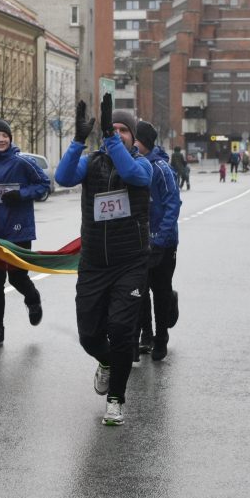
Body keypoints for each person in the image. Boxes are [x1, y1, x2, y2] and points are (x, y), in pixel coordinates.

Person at [55, 95, 152, 426]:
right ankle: (106, 362)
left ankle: (116, 399)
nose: (119, 133)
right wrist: (79, 139)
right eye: (114, 129)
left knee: (123, 331)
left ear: (133, 137)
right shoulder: (92, 163)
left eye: (125, 130)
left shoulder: (142, 165)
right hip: (94, 263)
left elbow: (129, 172)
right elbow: (64, 177)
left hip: (130, 264)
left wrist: (109, 137)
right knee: (89, 335)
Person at [0, 118, 50, 348]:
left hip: (19, 229)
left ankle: (32, 299)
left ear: (10, 139)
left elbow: (44, 185)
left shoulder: (23, 163)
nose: (1, 139)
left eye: (4, 135)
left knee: (17, 276)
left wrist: (21, 194)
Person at [134, 121, 181, 362]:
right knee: (139, 291)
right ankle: (146, 335)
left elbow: (173, 205)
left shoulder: (161, 168)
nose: (132, 144)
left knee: (160, 292)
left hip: (163, 243)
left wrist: (161, 240)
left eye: (135, 140)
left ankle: (161, 338)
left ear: (145, 143)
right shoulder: (130, 166)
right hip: (139, 243)